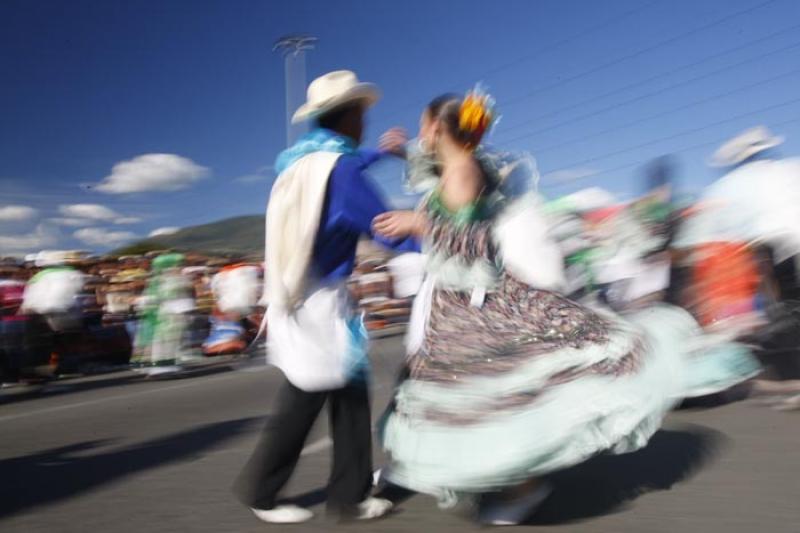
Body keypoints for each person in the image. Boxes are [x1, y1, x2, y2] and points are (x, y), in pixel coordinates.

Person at [372, 90, 760, 525]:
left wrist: (418, 223)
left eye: (424, 125)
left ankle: (522, 487)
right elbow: (431, 174)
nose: (420, 132)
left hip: (471, 297)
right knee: (471, 397)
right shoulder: (458, 165)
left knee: (500, 396)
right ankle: (467, 477)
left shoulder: (462, 171)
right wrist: (399, 153)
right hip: (452, 299)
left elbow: (473, 246)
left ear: (439, 128)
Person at [232, 70, 418, 524]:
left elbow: (336, 177)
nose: (366, 124)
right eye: (363, 115)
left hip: (294, 292)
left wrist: (379, 155)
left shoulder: (299, 162)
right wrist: (444, 240)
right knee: (325, 394)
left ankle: (296, 491)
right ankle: (321, 495)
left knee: (329, 391)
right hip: (322, 300)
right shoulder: (342, 170)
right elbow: (385, 227)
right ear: (352, 115)